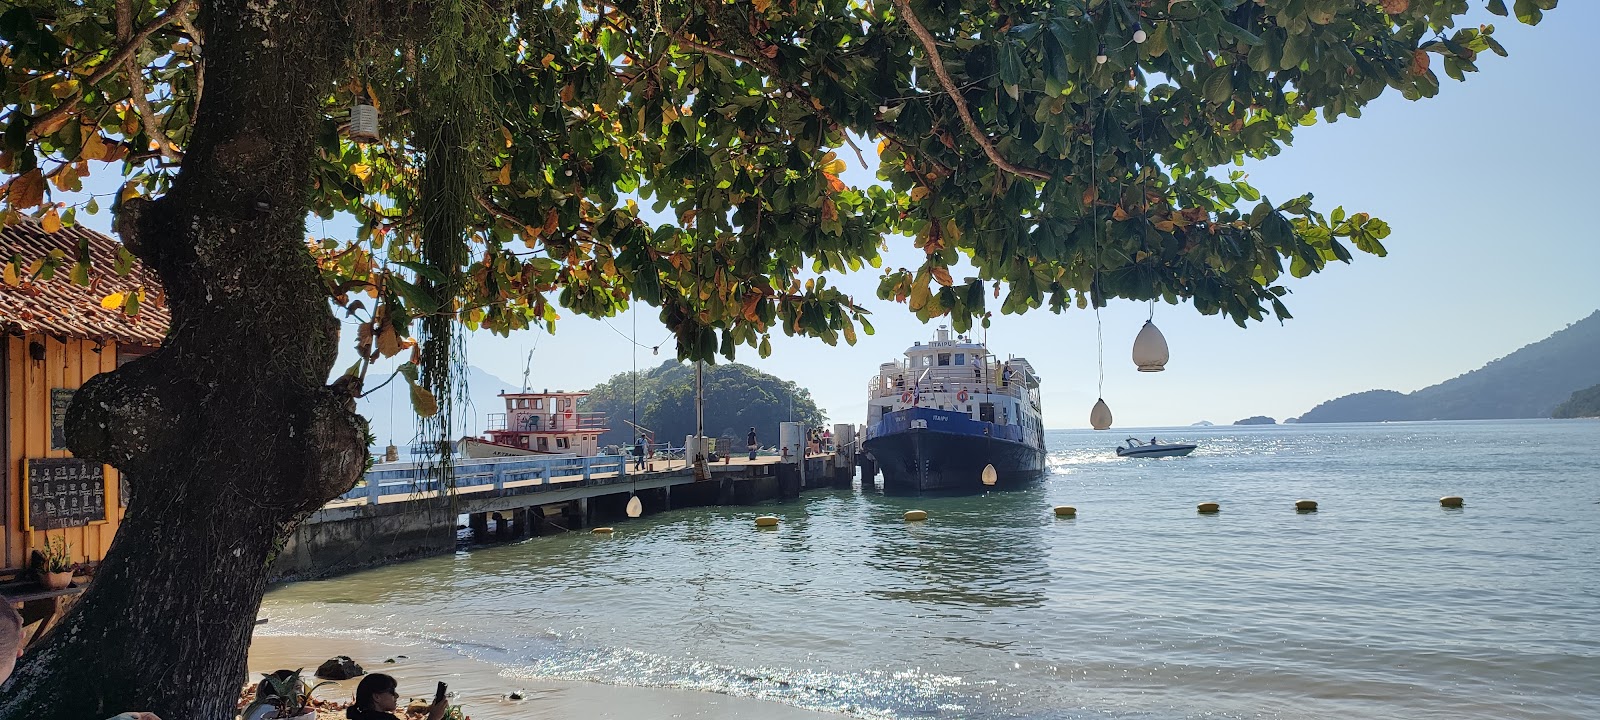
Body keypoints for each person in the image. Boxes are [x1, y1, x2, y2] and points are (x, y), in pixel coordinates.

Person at [346, 673, 447, 720]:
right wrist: (434, 717)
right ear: (377, 697)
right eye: (392, 691)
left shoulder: (360, 716)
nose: (397, 696)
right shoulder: (385, 719)